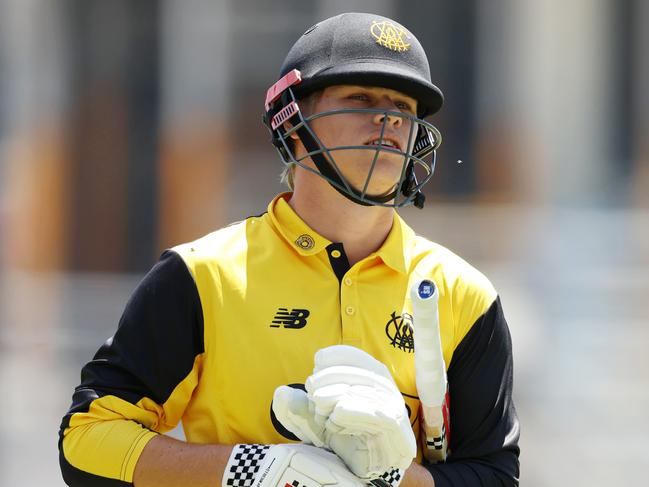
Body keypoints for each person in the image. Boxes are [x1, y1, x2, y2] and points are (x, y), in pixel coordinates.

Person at [58, 12, 519, 487]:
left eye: (402, 105)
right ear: (294, 124)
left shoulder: (465, 298)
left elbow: (495, 476)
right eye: (359, 97)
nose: (388, 117)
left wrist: (394, 480)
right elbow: (86, 440)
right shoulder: (202, 276)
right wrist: (253, 470)